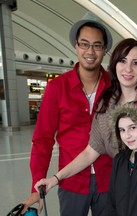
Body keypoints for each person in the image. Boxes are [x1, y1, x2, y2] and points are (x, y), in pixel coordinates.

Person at [32, 38, 137, 213]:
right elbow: (90, 151)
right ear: (115, 64)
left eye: (136, 63)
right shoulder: (106, 104)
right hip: (123, 189)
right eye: (123, 61)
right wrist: (55, 178)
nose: (128, 69)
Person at [22, 12, 113, 216]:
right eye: (84, 44)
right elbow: (43, 140)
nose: (90, 51)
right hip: (72, 182)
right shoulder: (57, 88)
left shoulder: (114, 87)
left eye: (97, 45)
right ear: (76, 46)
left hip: (109, 181)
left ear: (105, 50)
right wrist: (35, 186)